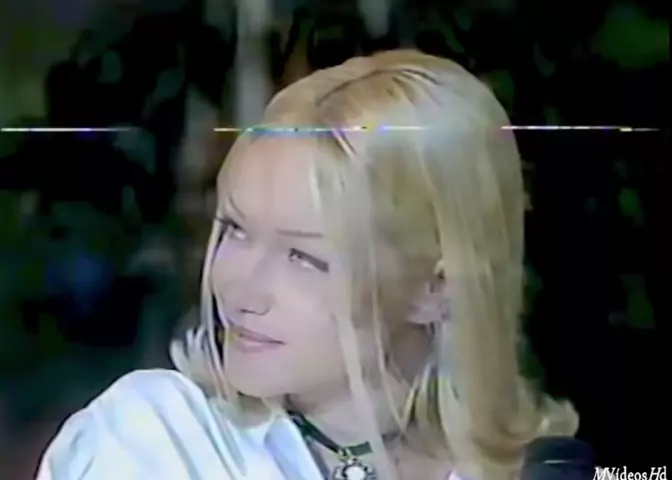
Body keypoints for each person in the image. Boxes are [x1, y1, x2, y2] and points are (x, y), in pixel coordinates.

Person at [35, 49, 578, 480]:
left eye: (304, 257)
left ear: (436, 288)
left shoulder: (543, 469)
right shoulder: (155, 440)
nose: (239, 289)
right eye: (235, 229)